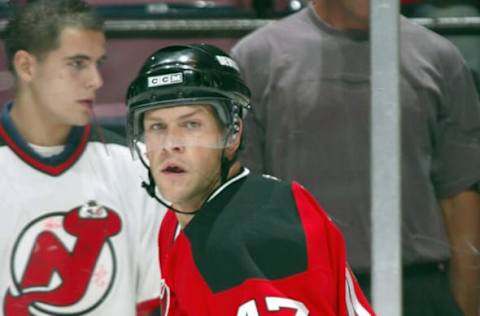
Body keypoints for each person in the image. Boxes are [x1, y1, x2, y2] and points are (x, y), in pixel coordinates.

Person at [230, 0, 480, 315]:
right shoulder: (256, 58)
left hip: (418, 287)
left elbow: (459, 198)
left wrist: (467, 306)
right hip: (298, 290)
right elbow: (241, 205)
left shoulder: (440, 58)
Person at [125, 43, 375, 316]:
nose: (170, 144)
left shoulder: (261, 230)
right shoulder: (183, 219)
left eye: (191, 124)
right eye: (157, 126)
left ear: (232, 133)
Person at [0, 1, 165, 315]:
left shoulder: (136, 168)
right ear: (26, 66)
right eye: (77, 63)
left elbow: (151, 304)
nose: (96, 80)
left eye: (97, 63)